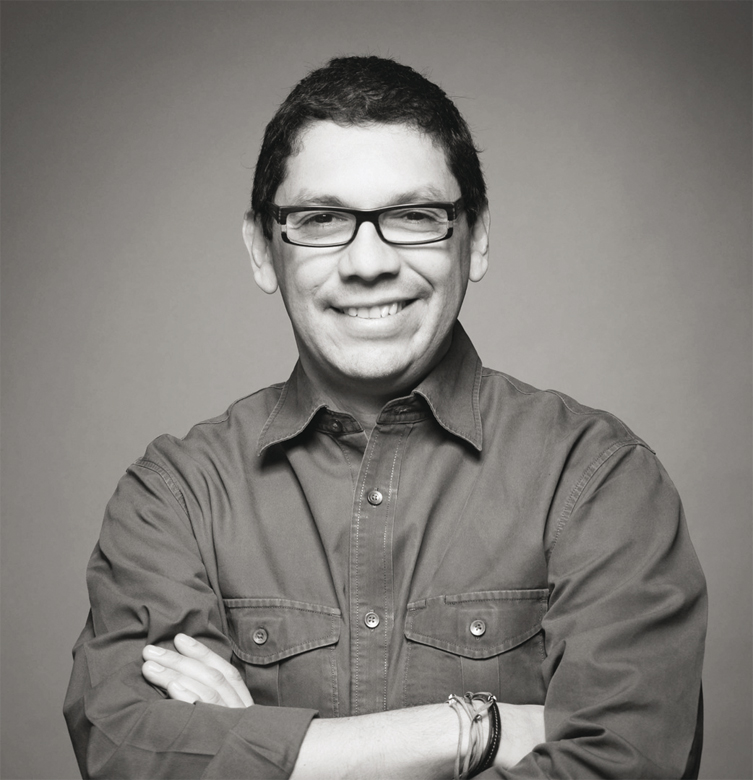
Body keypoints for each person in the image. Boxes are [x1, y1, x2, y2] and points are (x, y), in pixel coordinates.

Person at [64, 56, 706, 779]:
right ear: (262, 251)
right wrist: (468, 729)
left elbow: (623, 764)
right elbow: (127, 751)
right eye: (320, 219)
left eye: (413, 217)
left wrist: (260, 755)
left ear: (475, 238)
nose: (367, 262)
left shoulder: (597, 479)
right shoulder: (175, 497)